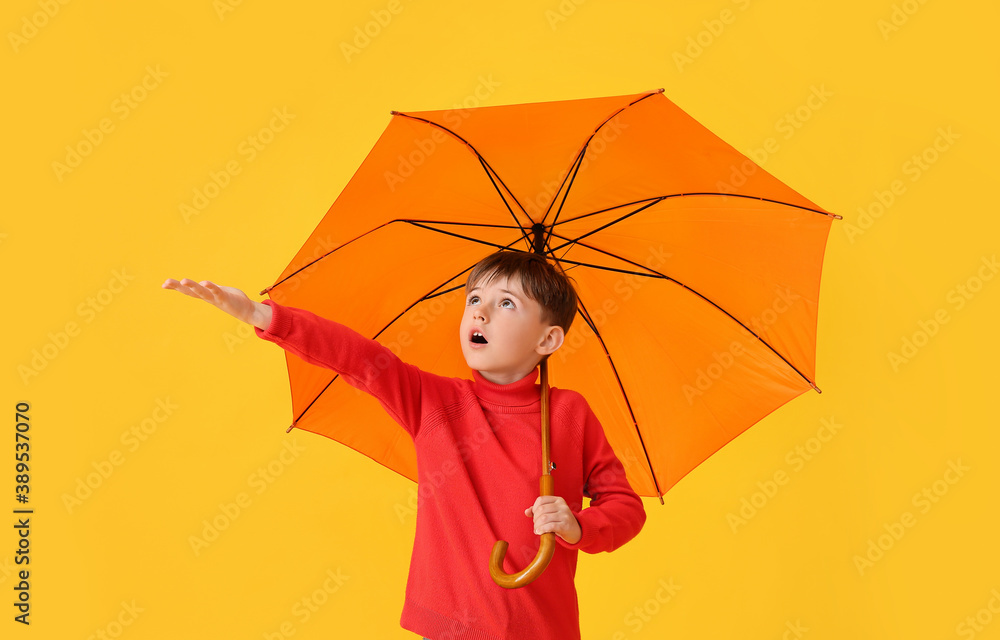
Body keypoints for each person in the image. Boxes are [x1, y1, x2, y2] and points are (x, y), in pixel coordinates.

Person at [162, 250, 646, 640]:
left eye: (506, 304)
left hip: (544, 629)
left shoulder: (568, 414)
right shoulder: (432, 402)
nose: (479, 311)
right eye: (474, 298)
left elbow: (625, 507)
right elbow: (357, 356)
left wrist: (577, 525)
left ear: (549, 338)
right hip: (448, 625)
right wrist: (259, 314)